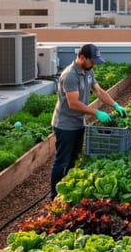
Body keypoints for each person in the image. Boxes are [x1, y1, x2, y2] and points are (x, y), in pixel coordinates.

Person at [49, 43, 126, 200]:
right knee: (62, 160)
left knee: (74, 158)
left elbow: (98, 91)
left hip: (78, 123)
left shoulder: (88, 71)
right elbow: (74, 104)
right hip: (65, 125)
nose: (94, 64)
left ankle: (67, 190)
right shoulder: (70, 75)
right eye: (93, 61)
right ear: (82, 57)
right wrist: (96, 112)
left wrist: (115, 105)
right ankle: (54, 196)